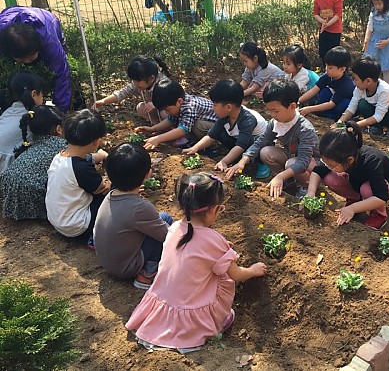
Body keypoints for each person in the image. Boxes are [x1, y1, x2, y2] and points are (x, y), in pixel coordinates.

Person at [125, 172, 267, 352]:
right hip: (189, 314)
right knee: (223, 278)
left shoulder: (174, 228)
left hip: (163, 301)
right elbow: (237, 275)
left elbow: (193, 252)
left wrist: (219, 249)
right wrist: (253, 270)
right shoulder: (214, 240)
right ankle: (213, 322)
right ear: (213, 210)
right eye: (220, 209)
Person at [94, 143, 172, 289]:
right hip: (126, 268)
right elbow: (168, 237)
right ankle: (147, 274)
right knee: (167, 225)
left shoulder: (111, 194)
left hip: (107, 261)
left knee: (162, 218)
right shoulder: (139, 208)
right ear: (148, 174)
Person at [225, 79, 319, 198]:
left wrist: (279, 176)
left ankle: (306, 185)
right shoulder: (276, 122)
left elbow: (303, 162)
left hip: (312, 163)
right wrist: (242, 161)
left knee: (292, 163)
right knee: (266, 152)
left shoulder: (305, 129)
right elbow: (261, 142)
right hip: (293, 157)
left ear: (292, 106)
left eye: (276, 111)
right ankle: (289, 180)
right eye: (269, 110)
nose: (272, 115)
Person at [306, 121, 389, 230]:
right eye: (326, 164)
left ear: (350, 160)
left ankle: (379, 215)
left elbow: (381, 196)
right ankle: (354, 199)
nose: (329, 167)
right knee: (330, 178)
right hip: (359, 179)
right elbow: (317, 171)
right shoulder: (338, 156)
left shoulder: (372, 161)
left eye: (332, 166)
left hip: (384, 182)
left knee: (366, 190)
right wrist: (310, 193)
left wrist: (352, 209)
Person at [45, 109, 110, 248]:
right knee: (113, 193)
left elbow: (88, 158)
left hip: (58, 221)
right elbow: (102, 189)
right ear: (96, 142)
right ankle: (95, 235)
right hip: (77, 227)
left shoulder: (60, 157)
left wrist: (100, 155)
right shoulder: (81, 168)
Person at [182, 80, 269, 177]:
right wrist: (195, 148)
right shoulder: (226, 116)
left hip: (257, 143)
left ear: (228, 107)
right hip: (241, 140)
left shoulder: (248, 120)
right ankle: (235, 156)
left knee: (256, 144)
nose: (212, 108)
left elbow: (241, 146)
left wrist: (224, 161)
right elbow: (211, 135)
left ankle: (262, 163)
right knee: (220, 133)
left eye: (215, 105)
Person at [0, 105, 65, 221]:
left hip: (6, 187)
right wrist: (99, 155)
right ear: (59, 129)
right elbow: (77, 157)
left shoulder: (30, 143)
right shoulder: (60, 145)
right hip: (31, 195)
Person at [0, 6, 72, 110]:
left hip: (47, 19)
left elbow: (62, 75)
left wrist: (60, 110)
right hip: (11, 14)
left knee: (61, 68)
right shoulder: (3, 36)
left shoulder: (50, 43)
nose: (28, 61)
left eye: (31, 55)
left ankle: (78, 101)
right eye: (22, 58)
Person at [335, 56, 389, 140]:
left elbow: (378, 116)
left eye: (356, 79)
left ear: (368, 81)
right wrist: (340, 122)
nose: (354, 82)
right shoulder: (360, 89)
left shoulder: (384, 91)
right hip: (379, 114)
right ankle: (376, 127)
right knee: (362, 104)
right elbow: (352, 107)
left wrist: (355, 125)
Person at [135, 78, 217, 150]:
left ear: (179, 101)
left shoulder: (190, 107)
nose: (167, 112)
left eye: (167, 109)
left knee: (197, 125)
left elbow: (182, 130)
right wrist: (152, 129)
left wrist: (158, 139)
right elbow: (170, 120)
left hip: (218, 128)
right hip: (208, 124)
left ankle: (199, 142)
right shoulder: (178, 103)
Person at [91, 56, 170, 125]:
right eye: (133, 80)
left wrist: (156, 104)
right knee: (141, 107)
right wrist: (103, 101)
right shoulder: (137, 84)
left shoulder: (163, 83)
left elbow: (173, 102)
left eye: (138, 81)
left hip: (171, 111)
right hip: (157, 109)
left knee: (164, 113)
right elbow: (122, 93)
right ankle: (159, 127)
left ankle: (172, 129)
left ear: (151, 79)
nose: (135, 84)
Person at [0, 72, 44, 173]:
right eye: (42, 94)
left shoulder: (9, 112)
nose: (43, 99)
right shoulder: (34, 116)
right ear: (34, 94)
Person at [298, 46, 355, 120]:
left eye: (330, 67)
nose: (326, 69)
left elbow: (332, 104)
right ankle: (325, 113)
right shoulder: (327, 76)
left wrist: (310, 109)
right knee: (324, 91)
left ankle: (335, 117)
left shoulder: (346, 85)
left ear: (342, 69)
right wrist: (298, 101)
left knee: (344, 104)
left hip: (340, 105)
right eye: (326, 66)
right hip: (331, 101)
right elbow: (314, 90)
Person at [313, 0, 344, 64]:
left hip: (335, 30)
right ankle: (325, 69)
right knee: (323, 52)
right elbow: (315, 14)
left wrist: (329, 23)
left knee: (333, 54)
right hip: (323, 29)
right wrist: (322, 22)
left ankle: (334, 71)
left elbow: (338, 14)